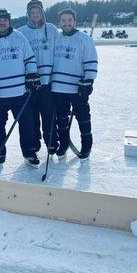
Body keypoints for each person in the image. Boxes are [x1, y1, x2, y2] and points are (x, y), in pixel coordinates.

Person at [0, 9, 39, 167]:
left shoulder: (19, 37)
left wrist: (32, 75)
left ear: (9, 22)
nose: (2, 23)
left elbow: (29, 59)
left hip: (20, 92)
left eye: (4, 20)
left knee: (27, 124)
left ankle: (29, 152)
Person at [51, 8, 98, 160]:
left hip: (78, 87)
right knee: (61, 119)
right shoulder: (56, 38)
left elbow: (91, 62)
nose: (66, 23)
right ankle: (63, 143)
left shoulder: (84, 39)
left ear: (74, 21)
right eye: (63, 21)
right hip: (58, 87)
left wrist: (88, 81)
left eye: (69, 20)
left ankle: (86, 145)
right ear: (60, 22)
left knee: (83, 117)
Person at [17, 0, 60, 155]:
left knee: (48, 113)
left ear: (42, 13)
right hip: (29, 82)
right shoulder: (21, 32)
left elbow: (59, 51)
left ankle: (52, 142)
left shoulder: (52, 29)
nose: (35, 15)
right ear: (28, 14)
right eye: (32, 13)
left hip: (47, 81)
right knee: (32, 115)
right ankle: (34, 143)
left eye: (38, 12)